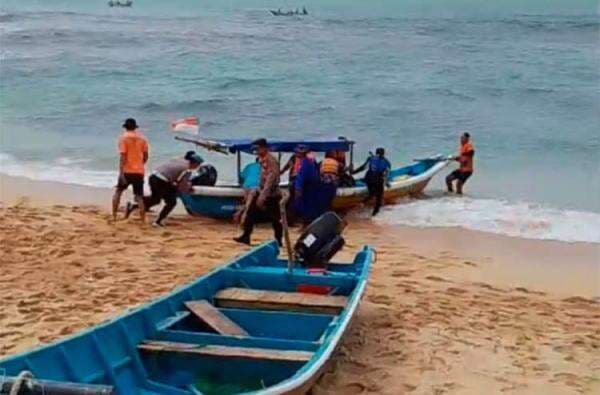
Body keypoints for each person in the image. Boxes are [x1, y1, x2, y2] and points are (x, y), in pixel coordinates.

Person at [125, 151, 202, 227]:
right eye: (198, 165)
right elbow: (182, 185)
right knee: (171, 202)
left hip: (153, 176)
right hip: (161, 181)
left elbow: (172, 174)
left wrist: (175, 185)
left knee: (155, 199)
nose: (197, 167)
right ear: (194, 163)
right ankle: (157, 221)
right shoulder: (187, 170)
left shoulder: (177, 160)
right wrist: (189, 189)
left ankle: (134, 205)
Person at [234, 138, 283, 246]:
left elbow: (271, 179)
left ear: (264, 148)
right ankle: (246, 236)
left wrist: (263, 195)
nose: (256, 151)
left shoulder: (270, 160)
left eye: (257, 148)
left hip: (271, 194)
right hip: (261, 191)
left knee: (275, 218)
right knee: (251, 213)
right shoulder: (262, 159)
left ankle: (279, 240)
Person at [112, 118, 149, 223]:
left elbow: (123, 156)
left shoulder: (123, 138)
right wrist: (140, 165)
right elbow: (146, 156)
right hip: (139, 171)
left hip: (127, 171)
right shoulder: (143, 139)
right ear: (135, 127)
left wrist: (121, 172)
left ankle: (114, 216)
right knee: (139, 196)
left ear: (125, 127)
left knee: (118, 192)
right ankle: (143, 220)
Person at [352, 147, 391, 216]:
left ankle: (363, 203)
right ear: (383, 154)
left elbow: (363, 168)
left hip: (368, 179)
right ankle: (374, 215)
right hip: (377, 180)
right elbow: (386, 174)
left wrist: (353, 172)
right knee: (379, 198)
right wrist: (387, 182)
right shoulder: (387, 162)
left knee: (372, 192)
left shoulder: (370, 158)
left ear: (376, 153)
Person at [293, 150, 322, 225]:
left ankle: (306, 224)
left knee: (304, 206)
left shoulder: (305, 163)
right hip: (311, 187)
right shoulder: (310, 161)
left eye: (297, 152)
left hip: (308, 187)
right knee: (309, 207)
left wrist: (298, 189)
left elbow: (301, 176)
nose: (296, 154)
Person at [233, 159, 261, 223]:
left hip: (246, 186)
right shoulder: (263, 167)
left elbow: (242, 175)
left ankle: (239, 213)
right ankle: (241, 216)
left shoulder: (249, 165)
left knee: (247, 202)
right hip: (255, 186)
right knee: (249, 203)